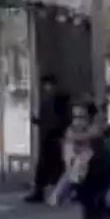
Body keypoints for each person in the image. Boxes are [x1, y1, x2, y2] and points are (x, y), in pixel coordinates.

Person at [26, 74, 73, 203]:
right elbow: (49, 120)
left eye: (48, 85)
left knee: (55, 167)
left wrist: (59, 134)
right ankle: (42, 192)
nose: (47, 88)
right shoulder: (50, 101)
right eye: (45, 86)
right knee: (47, 168)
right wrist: (37, 121)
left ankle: (53, 192)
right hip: (48, 137)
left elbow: (60, 121)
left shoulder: (58, 102)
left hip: (53, 138)